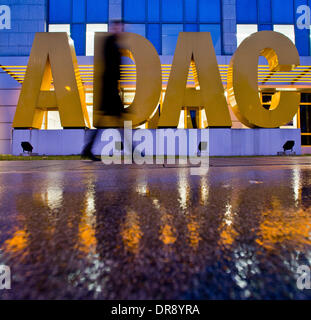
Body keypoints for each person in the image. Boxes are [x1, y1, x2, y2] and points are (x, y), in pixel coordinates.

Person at [82, 19, 125, 161]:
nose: (120, 30)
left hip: (111, 88)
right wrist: (113, 89)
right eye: (118, 27)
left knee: (115, 121)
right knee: (117, 120)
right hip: (109, 89)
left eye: (121, 27)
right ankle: (132, 149)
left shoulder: (114, 44)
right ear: (114, 27)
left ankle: (87, 149)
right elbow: (110, 67)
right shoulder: (110, 43)